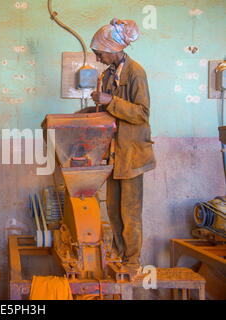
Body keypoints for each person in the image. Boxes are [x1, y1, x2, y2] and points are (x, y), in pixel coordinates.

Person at [89, 19, 156, 277]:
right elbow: (107, 113)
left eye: (99, 53)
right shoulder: (107, 75)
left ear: (113, 48)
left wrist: (110, 100)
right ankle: (117, 255)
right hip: (113, 154)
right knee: (113, 210)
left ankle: (132, 262)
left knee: (130, 212)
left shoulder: (135, 72)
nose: (98, 58)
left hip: (132, 154)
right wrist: (85, 114)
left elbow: (142, 114)